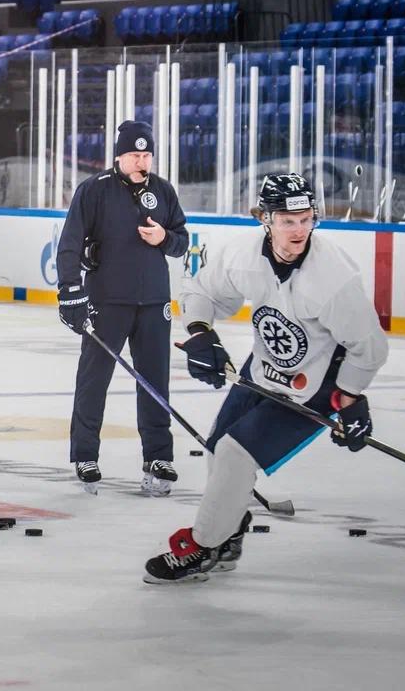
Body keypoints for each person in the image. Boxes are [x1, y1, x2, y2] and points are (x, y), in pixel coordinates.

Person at [143, 174, 388, 584]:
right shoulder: (242, 255)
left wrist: (349, 397)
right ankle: (228, 534)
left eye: (306, 219)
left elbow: (370, 347)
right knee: (219, 448)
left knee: (237, 454)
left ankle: (202, 547)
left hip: (316, 386)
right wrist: (201, 333)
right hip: (263, 370)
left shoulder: (333, 278)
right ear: (264, 219)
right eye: (287, 220)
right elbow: (200, 290)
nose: (298, 230)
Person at [56, 120, 188, 496]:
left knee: (154, 381)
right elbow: (69, 244)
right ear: (119, 156)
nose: (141, 162)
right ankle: (85, 454)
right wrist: (70, 291)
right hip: (107, 301)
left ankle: (158, 455)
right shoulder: (94, 191)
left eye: (146, 155)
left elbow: (182, 241)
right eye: (134, 155)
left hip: (154, 302)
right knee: (94, 379)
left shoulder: (163, 191)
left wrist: (165, 237)